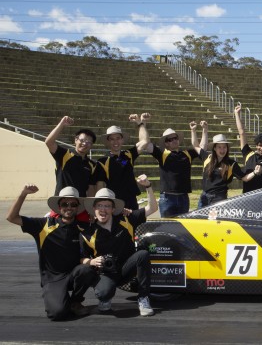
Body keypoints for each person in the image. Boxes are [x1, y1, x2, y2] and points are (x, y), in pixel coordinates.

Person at [6, 185, 97, 320]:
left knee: (87, 270)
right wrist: (23, 194)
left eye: (73, 204)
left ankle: (75, 301)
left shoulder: (83, 227)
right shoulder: (44, 225)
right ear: (59, 207)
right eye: (65, 204)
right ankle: (60, 297)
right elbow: (11, 217)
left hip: (74, 274)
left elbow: (107, 222)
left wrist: (125, 212)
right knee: (57, 314)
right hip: (53, 279)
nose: (69, 207)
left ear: (78, 207)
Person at [80, 176, 159, 317]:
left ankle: (143, 298)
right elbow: (82, 258)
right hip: (106, 274)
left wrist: (148, 186)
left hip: (126, 269)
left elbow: (152, 208)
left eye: (107, 206)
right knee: (103, 293)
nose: (103, 209)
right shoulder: (87, 233)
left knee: (142, 255)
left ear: (113, 209)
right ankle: (105, 298)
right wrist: (92, 262)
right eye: (99, 205)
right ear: (94, 208)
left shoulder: (126, 219)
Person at [140, 120, 206, 217]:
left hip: (183, 197)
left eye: (175, 138)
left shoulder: (187, 154)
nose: (174, 140)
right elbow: (145, 143)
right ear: (166, 143)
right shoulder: (162, 154)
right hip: (167, 198)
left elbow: (202, 148)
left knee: (182, 229)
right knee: (167, 228)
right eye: (170, 140)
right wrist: (142, 124)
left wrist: (203, 129)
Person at [45, 116, 99, 221]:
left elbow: (91, 189)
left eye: (88, 142)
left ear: (91, 145)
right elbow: (49, 142)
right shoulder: (65, 155)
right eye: (82, 140)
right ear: (75, 140)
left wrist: (91, 210)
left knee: (81, 236)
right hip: (61, 205)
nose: (84, 144)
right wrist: (61, 124)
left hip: (80, 207)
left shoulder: (92, 165)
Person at [96, 113, 151, 210]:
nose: (115, 142)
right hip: (114, 203)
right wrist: (101, 205)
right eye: (112, 139)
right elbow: (100, 185)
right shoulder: (102, 161)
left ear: (122, 140)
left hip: (131, 201)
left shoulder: (128, 154)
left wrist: (140, 123)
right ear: (108, 141)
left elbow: (145, 141)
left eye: (118, 138)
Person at [194, 133, 262, 207]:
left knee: (214, 218)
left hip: (218, 198)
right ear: (214, 148)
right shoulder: (207, 158)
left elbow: (245, 178)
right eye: (219, 147)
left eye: (224, 147)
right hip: (204, 197)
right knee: (200, 218)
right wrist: (193, 130)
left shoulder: (232, 164)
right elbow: (195, 146)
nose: (222, 150)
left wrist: (255, 172)